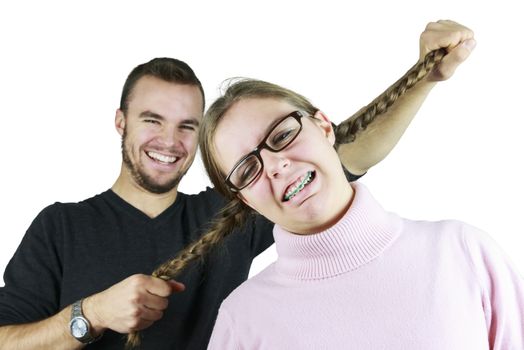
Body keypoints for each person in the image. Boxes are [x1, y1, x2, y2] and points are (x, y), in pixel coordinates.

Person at [0, 21, 474, 350]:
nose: (169, 140)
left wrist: (424, 77)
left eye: (187, 125)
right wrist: (91, 315)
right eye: (152, 120)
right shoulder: (60, 226)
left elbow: (339, 153)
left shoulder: (232, 212)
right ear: (120, 122)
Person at [148, 23, 523, 349]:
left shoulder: (462, 251)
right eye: (248, 169)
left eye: (282, 135)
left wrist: (425, 76)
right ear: (243, 199)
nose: (276, 165)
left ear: (324, 127)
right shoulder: (243, 321)